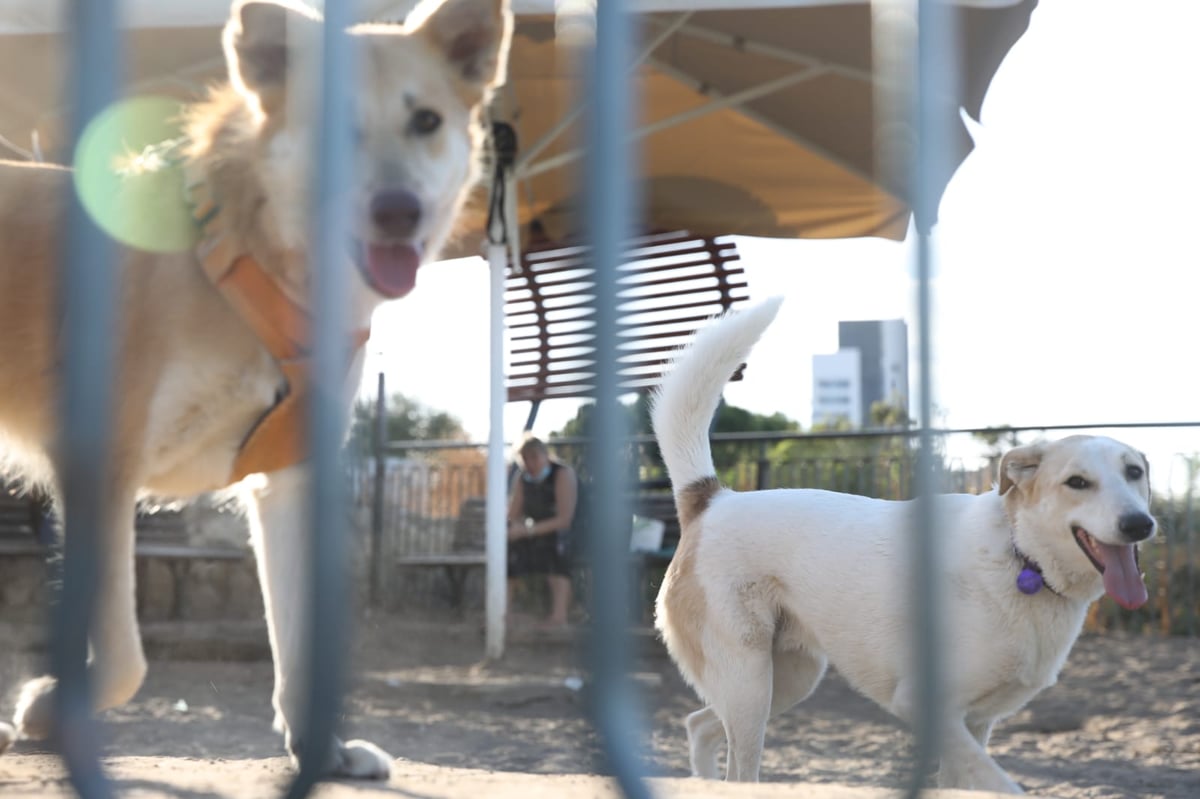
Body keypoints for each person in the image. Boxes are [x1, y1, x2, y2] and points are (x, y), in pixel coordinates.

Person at [507, 436, 578, 630]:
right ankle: (505, 613)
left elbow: (565, 519)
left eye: (534, 457)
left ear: (545, 455)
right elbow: (513, 514)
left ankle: (558, 617)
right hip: (537, 533)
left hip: (572, 534)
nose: (529, 463)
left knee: (555, 547)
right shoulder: (523, 478)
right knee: (509, 549)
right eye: (525, 458)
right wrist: (511, 529)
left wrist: (527, 531)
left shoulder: (562, 474)